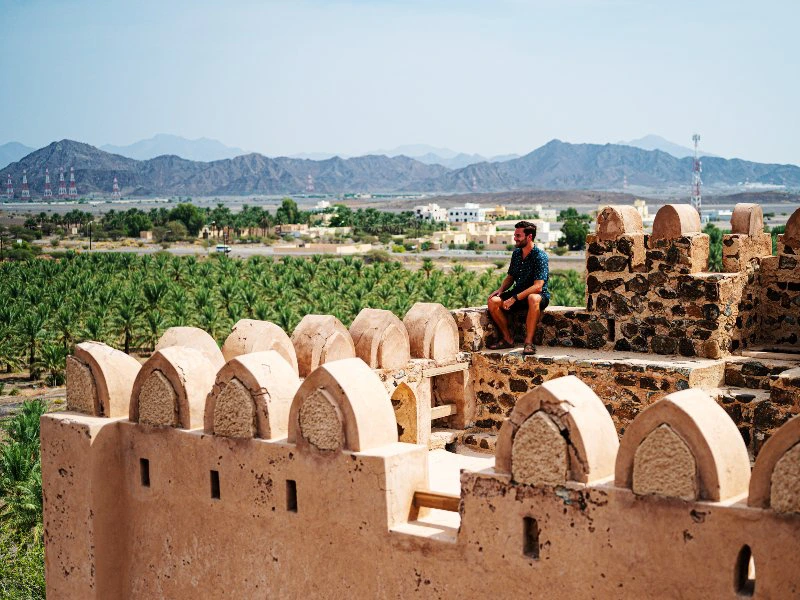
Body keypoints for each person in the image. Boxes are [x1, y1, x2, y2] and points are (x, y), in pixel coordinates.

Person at [486, 220, 550, 355]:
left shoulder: (540, 256)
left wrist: (514, 298)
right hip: (517, 294)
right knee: (493, 301)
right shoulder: (516, 254)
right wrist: (501, 290)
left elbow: (538, 286)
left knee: (533, 298)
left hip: (537, 296)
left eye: (518, 236)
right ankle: (508, 339)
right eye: (515, 235)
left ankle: (529, 343)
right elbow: (511, 277)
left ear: (529, 236)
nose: (515, 238)